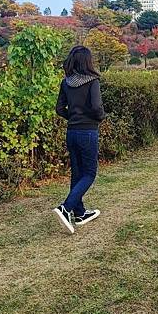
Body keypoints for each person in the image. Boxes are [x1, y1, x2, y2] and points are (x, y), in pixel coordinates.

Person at [54, 45, 106, 234]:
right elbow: (96, 107)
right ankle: (65, 208)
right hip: (88, 132)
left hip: (72, 132)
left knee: (77, 174)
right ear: (87, 61)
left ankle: (80, 213)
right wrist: (99, 118)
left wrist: (74, 119)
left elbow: (60, 109)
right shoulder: (93, 81)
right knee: (90, 173)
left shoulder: (66, 82)